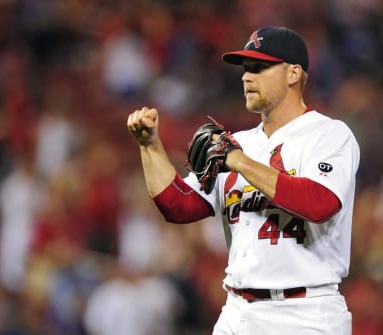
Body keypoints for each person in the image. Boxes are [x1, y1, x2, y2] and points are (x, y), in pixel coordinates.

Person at [127, 26, 360, 335]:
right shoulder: (239, 143)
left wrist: (238, 162)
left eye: (260, 67)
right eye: (246, 68)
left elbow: (320, 203)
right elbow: (179, 206)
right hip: (238, 312)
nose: (246, 76)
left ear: (293, 73)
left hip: (305, 314)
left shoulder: (328, 134)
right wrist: (150, 147)